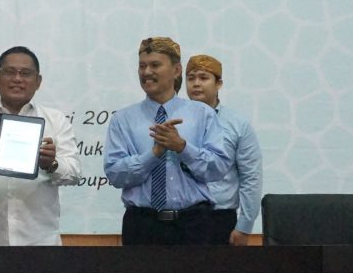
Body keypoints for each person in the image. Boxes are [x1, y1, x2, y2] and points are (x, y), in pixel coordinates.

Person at [0, 46, 82, 246]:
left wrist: (51, 165)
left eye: (26, 73)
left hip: (43, 245)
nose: (17, 79)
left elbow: (75, 173)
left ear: (38, 82)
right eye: (9, 72)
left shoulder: (56, 120)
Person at [104, 37, 232, 245]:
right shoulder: (123, 119)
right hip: (142, 226)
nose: (146, 72)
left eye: (155, 65)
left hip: (194, 225)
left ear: (176, 70)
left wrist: (182, 147)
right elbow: (115, 174)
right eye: (142, 66)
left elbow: (218, 168)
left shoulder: (203, 114)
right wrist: (153, 154)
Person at [185, 54, 263, 246]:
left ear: (219, 83)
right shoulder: (175, 120)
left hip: (219, 219)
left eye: (203, 78)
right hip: (181, 220)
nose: (196, 84)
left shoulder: (237, 125)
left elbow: (250, 177)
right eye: (191, 78)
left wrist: (244, 226)